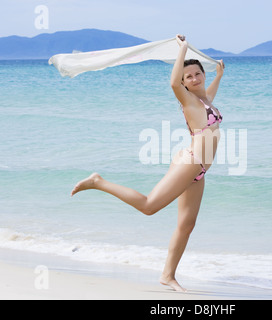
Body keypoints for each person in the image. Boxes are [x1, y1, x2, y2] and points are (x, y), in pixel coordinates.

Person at [70, 35, 225, 292]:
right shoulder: (188, 101)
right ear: (184, 83)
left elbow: (209, 95)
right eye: (189, 77)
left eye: (198, 73)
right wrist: (183, 50)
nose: (195, 78)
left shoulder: (205, 100)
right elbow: (173, 82)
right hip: (190, 163)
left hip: (199, 171)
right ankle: (98, 182)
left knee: (187, 225)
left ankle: (168, 276)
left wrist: (218, 74)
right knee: (149, 206)